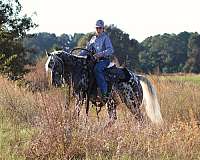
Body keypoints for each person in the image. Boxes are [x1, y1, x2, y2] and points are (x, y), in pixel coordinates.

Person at [80, 19, 114, 102]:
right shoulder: (93, 39)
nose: (98, 30)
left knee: (97, 69)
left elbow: (110, 50)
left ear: (103, 29)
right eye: (97, 28)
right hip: (94, 61)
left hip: (104, 61)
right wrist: (77, 56)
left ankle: (105, 93)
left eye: (100, 28)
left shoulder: (105, 38)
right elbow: (86, 50)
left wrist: (99, 54)